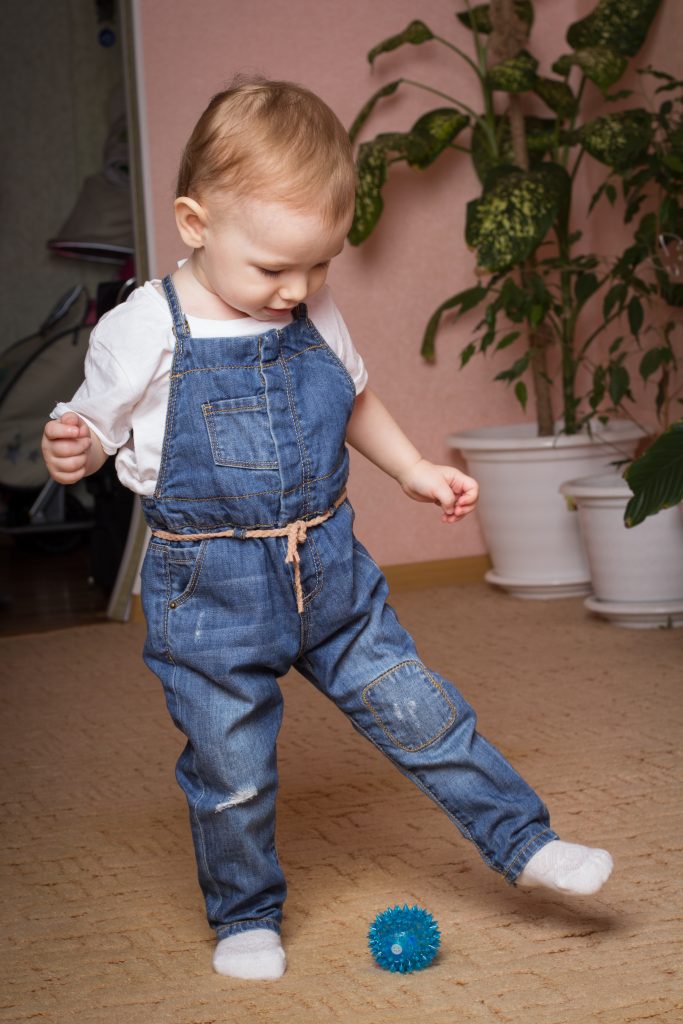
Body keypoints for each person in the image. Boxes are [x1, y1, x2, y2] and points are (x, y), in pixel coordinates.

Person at [42, 78, 613, 981]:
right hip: (210, 593)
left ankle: (521, 839)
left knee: (425, 711)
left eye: (318, 266)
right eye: (273, 269)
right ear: (194, 223)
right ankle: (244, 916)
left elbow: (350, 396)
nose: (296, 290)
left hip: (332, 570)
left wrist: (416, 469)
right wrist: (71, 447)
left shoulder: (306, 306)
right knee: (232, 769)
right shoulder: (145, 325)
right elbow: (90, 424)